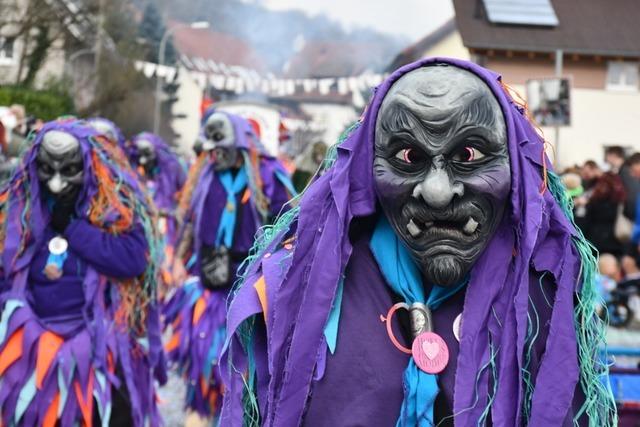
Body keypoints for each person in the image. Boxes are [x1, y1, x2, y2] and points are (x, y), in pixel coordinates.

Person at [220, 59, 616, 426]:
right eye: (408, 156)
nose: (438, 192)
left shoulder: (545, 298)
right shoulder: (297, 289)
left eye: (469, 153)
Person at [0, 119, 166, 425]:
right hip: (32, 344)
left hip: (96, 344)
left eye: (69, 170)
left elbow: (133, 259)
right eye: (48, 169)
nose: (57, 183)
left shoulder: (115, 209)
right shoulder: (22, 208)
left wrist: (73, 229)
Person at [163, 110, 295, 419]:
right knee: (203, 370)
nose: (214, 155)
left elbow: (286, 228)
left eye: (220, 148)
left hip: (247, 293)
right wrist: (179, 259)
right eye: (211, 149)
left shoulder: (267, 177)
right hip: (207, 289)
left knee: (243, 373)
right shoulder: (207, 175)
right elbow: (191, 221)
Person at [129, 132, 187, 293]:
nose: (142, 160)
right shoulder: (134, 175)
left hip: (165, 233)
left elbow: (185, 201)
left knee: (164, 271)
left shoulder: (172, 170)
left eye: (147, 154)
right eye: (139, 155)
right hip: (142, 232)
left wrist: (168, 213)